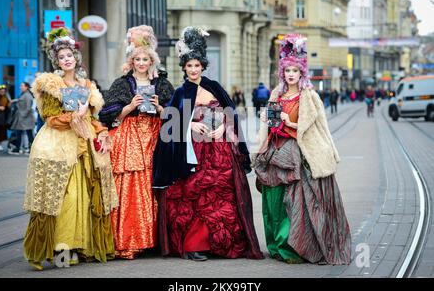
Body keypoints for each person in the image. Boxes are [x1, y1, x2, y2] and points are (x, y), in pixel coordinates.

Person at [152, 26, 263, 261]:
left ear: (203, 66)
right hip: (193, 151)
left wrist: (225, 125)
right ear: (184, 68)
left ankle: (218, 245)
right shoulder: (181, 92)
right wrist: (189, 125)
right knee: (194, 194)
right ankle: (194, 244)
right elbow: (170, 123)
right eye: (189, 66)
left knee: (221, 193)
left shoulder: (214, 86)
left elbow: (231, 112)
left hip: (219, 149)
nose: (193, 70)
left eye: (197, 65)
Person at [23, 27, 118, 270]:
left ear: (76, 58)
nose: (67, 60)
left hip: (85, 148)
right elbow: (50, 118)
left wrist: (102, 130)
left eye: (70, 55)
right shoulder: (50, 84)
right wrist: (73, 115)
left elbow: (94, 119)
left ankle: (79, 246)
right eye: (62, 56)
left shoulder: (86, 84)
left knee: (84, 198)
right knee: (62, 198)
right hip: (59, 147)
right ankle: (59, 246)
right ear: (57, 61)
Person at [253, 34, 351, 265]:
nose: (290, 75)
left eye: (295, 71)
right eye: (287, 71)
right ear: (282, 72)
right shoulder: (276, 94)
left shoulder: (309, 97)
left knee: (296, 204)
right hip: (274, 153)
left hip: (298, 154)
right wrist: (266, 124)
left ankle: (295, 246)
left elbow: (315, 128)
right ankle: (277, 245)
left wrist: (288, 122)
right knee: (274, 202)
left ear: (301, 73)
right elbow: (267, 128)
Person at [99, 25, 175, 260]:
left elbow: (175, 114)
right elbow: (107, 114)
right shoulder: (122, 83)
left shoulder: (162, 83)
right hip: (129, 138)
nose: (141, 63)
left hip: (155, 138)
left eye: (145, 59)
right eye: (137, 59)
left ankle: (155, 240)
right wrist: (129, 107)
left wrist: (160, 107)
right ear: (132, 61)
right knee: (131, 186)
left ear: (151, 60)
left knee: (156, 186)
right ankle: (131, 238)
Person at [8, 82, 36, 155]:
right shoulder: (25, 94)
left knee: (28, 133)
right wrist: (16, 100)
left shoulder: (27, 95)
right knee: (20, 133)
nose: (20, 87)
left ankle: (28, 149)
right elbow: (22, 101)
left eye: (22, 86)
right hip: (23, 118)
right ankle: (19, 148)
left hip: (25, 118)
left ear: (26, 87)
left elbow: (28, 107)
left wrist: (22, 115)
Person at [0, 84, 11, 152]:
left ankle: (0, 144)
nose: (2, 92)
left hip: (2, 117)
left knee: (1, 131)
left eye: (3, 91)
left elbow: (8, 107)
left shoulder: (6, 97)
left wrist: (9, 105)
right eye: (1, 91)